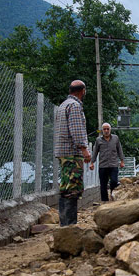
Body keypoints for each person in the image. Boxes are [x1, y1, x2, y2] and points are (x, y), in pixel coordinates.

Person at [55, 80, 91, 226]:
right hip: (71, 153)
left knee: (65, 188)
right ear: (82, 91)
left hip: (62, 151)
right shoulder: (75, 106)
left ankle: (64, 224)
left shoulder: (63, 105)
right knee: (73, 189)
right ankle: (70, 227)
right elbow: (76, 130)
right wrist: (84, 149)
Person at [89, 123, 125, 202]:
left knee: (114, 181)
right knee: (103, 185)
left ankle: (113, 197)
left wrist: (122, 161)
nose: (106, 131)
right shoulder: (98, 140)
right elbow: (95, 152)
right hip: (103, 165)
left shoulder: (115, 138)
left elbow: (120, 150)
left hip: (113, 164)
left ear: (110, 130)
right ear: (102, 130)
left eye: (107, 129)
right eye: (104, 129)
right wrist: (92, 163)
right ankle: (104, 201)